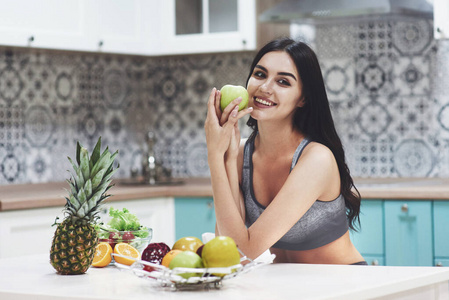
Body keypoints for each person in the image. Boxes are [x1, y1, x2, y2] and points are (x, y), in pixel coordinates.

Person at [204, 37, 366, 265]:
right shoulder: (241, 155)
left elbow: (245, 250)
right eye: (260, 74)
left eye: (283, 82)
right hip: (283, 286)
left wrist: (213, 155)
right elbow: (228, 246)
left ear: (303, 99)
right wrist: (226, 158)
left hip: (340, 284)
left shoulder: (316, 159)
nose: (265, 88)